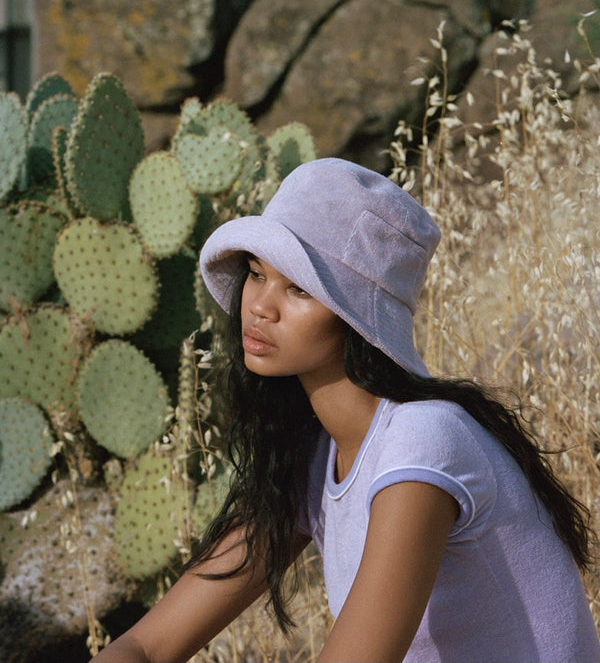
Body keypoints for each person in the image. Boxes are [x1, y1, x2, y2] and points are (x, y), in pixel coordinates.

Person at [93, 157, 599, 663]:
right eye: (255, 274)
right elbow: (147, 645)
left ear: (355, 321)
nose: (260, 306)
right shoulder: (314, 453)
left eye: (297, 288)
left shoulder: (423, 440)